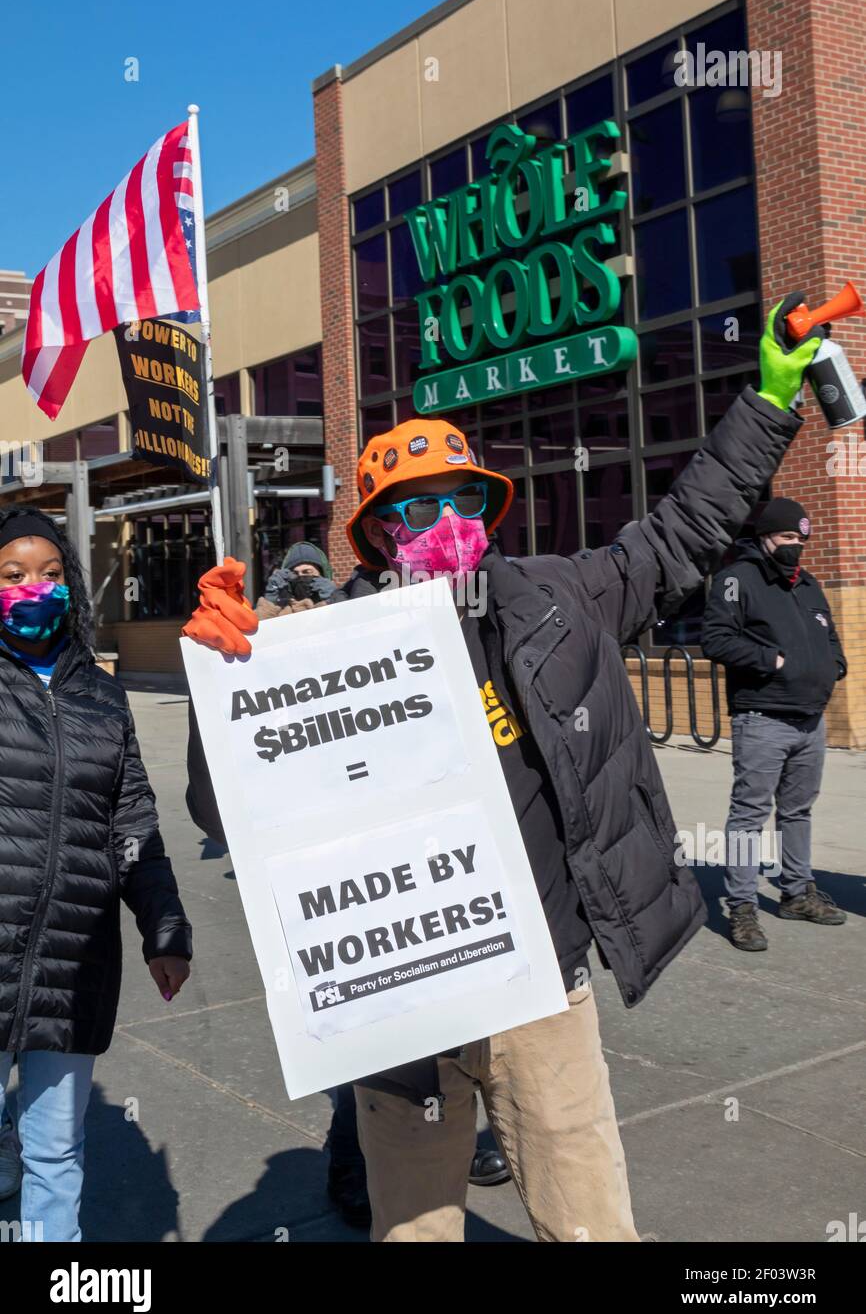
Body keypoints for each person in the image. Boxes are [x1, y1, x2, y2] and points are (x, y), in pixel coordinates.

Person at [184, 296, 821, 1242]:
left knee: (592, 1222)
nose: (446, 521)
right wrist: (224, 681)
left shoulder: (561, 597)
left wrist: (770, 399)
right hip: (403, 1014)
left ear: (489, 510)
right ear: (377, 533)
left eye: (464, 499)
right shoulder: (312, 650)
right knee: (419, 1233)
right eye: (417, 507)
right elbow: (220, 810)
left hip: (542, 984)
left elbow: (685, 528)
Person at [183, 540, 509, 1227]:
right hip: (334, 881)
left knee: (455, 1017)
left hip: (419, 860)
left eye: (314, 573)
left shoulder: (373, 610)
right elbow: (220, 795)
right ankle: (350, 1165)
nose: (306, 582)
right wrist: (246, 636)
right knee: (361, 1045)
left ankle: (460, 1143)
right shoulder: (257, 629)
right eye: (294, 572)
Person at [0, 505, 192, 1242]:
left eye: (50, 574)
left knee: (56, 1154)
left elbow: (132, 823)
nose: (32, 588)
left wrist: (165, 928)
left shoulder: (102, 696)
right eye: (12, 575)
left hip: (76, 963)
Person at [700, 497, 847, 951]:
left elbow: (830, 637)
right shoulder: (736, 579)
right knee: (749, 816)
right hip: (763, 718)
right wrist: (772, 660)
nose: (794, 548)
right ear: (765, 538)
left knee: (798, 811)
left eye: (800, 540)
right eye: (787, 538)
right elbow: (716, 639)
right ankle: (741, 906)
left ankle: (797, 892)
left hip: (810, 720)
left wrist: (833, 665)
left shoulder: (809, 586)